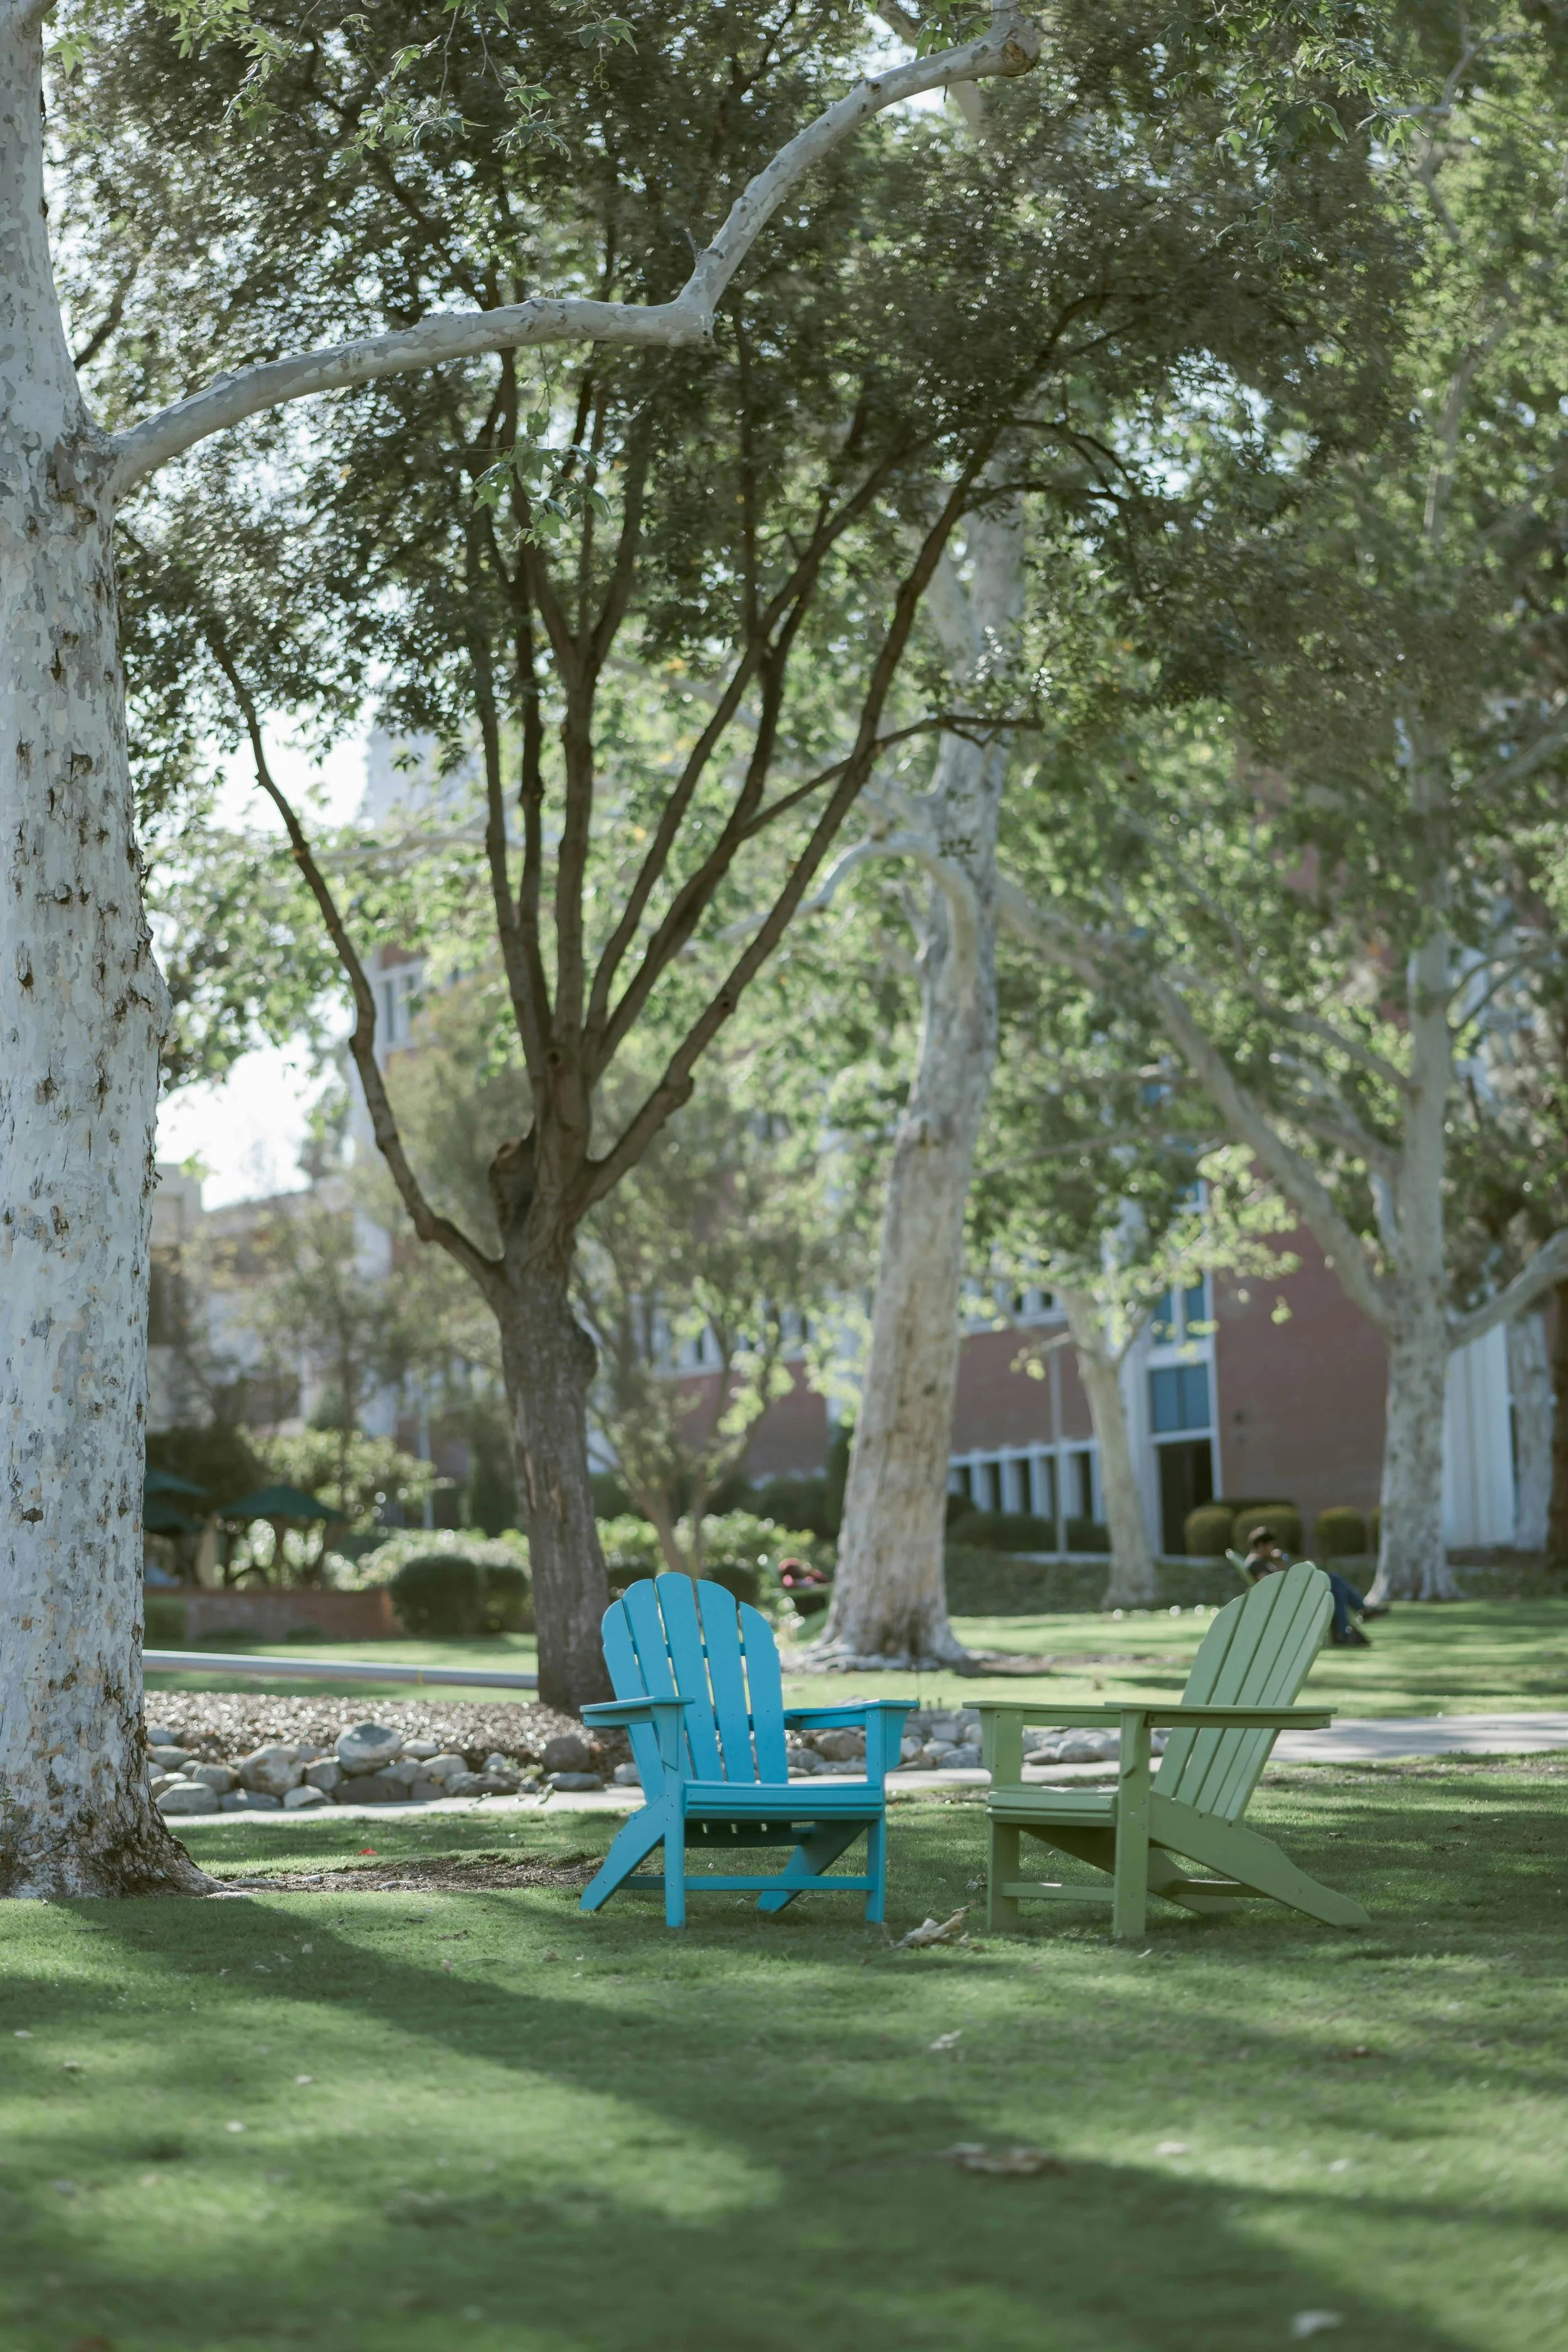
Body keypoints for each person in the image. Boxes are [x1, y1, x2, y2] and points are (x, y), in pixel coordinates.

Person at [1242, 1525, 1388, 1647]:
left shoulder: (1260, 1562)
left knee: (1337, 1587)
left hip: (1291, 1597)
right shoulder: (1255, 1564)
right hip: (1290, 1601)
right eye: (1270, 1546)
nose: (1272, 1549)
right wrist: (1280, 1564)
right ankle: (1354, 1618)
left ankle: (1344, 1630)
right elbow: (1273, 1585)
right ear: (1260, 1545)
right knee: (1334, 1582)